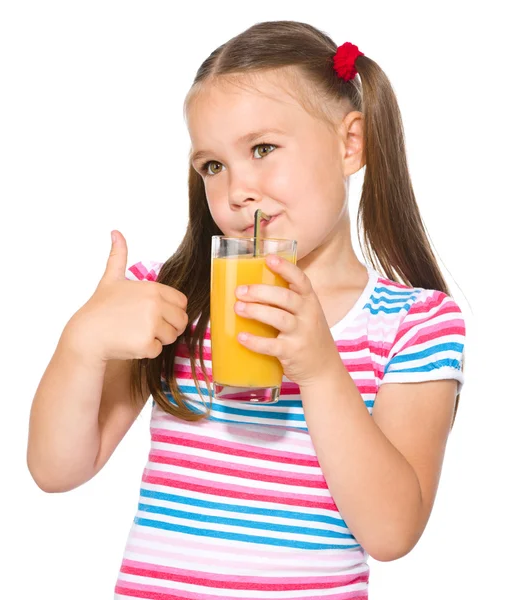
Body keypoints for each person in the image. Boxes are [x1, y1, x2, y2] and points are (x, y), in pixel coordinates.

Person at [27, 20, 466, 600]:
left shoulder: (415, 325)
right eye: (213, 165)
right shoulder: (172, 302)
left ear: (349, 142)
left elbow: (391, 532)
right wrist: (80, 343)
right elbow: (56, 470)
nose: (236, 191)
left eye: (262, 149)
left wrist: (319, 369)